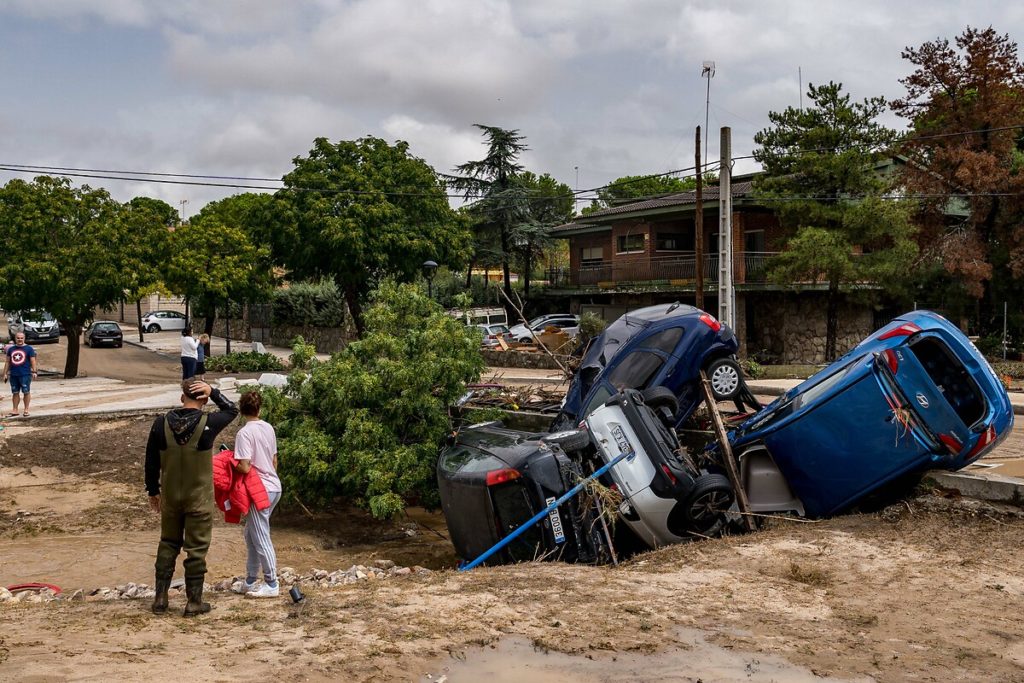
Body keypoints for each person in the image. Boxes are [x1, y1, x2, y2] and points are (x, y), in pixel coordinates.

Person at [145, 379, 239, 616]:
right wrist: (214, 391)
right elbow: (232, 410)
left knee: (168, 543)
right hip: (198, 499)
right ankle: (193, 602)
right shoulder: (209, 423)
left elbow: (151, 461)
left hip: (171, 498)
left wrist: (152, 491)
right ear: (204, 399)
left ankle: (160, 599)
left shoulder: (161, 424)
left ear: (181, 398)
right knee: (196, 549)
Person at [232, 390, 282, 598]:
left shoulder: (244, 433)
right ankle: (251, 579)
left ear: (241, 410)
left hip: (258, 490)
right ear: (259, 408)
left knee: (260, 535)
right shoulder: (268, 428)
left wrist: (230, 464)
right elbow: (274, 460)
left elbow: (244, 466)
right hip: (274, 486)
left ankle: (271, 583)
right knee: (251, 534)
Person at [3, 332, 37, 417]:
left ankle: (26, 410)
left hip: (25, 374)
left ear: (24, 338)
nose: (20, 340)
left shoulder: (29, 349)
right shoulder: (11, 349)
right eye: (18, 338)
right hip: (14, 374)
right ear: (15, 338)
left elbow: (33, 361)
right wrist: (5, 373)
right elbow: (7, 362)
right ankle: (15, 410)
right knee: (15, 392)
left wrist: (34, 371)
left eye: (21, 338)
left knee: (26, 392)